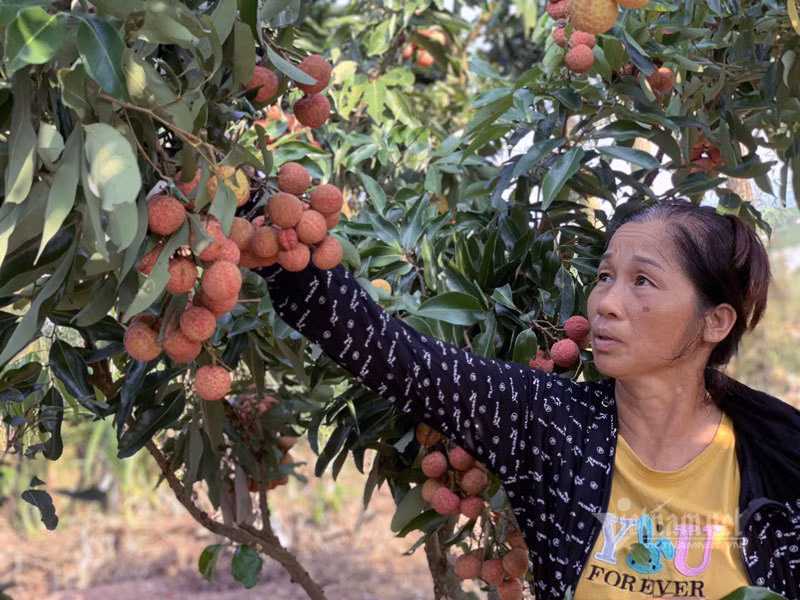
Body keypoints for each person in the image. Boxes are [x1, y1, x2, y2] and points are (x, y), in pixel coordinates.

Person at [255, 200, 800, 600]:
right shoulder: (549, 424)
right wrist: (265, 218)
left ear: (715, 321)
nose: (607, 302)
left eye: (643, 282)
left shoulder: (779, 459)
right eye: (605, 275)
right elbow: (393, 355)